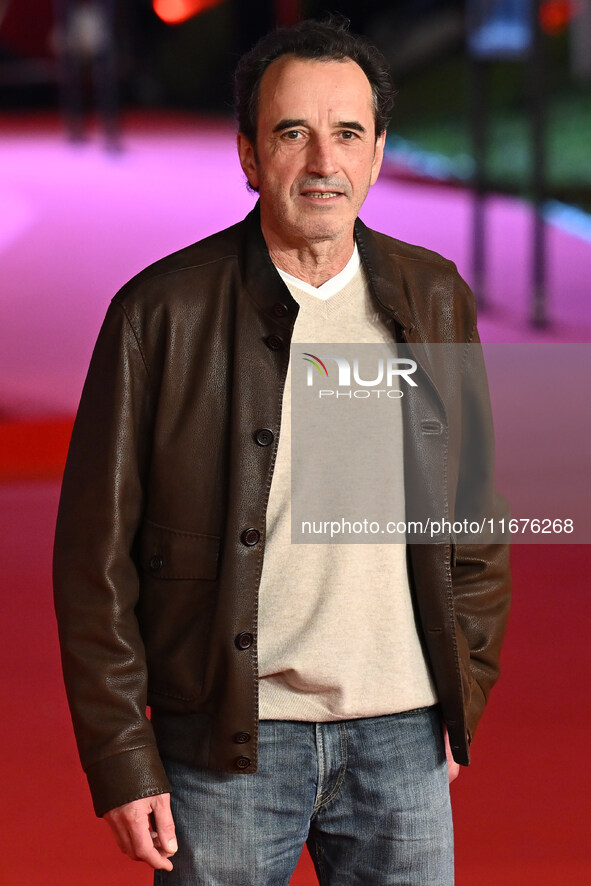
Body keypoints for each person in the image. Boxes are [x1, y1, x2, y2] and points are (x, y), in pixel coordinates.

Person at [53, 17, 511, 885]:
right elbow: (93, 561)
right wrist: (121, 754)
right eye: (291, 133)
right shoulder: (161, 314)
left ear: (377, 152)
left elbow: (474, 521)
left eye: (346, 134)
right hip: (225, 749)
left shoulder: (433, 295)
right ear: (249, 155)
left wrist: (463, 692)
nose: (321, 162)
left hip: (401, 740)